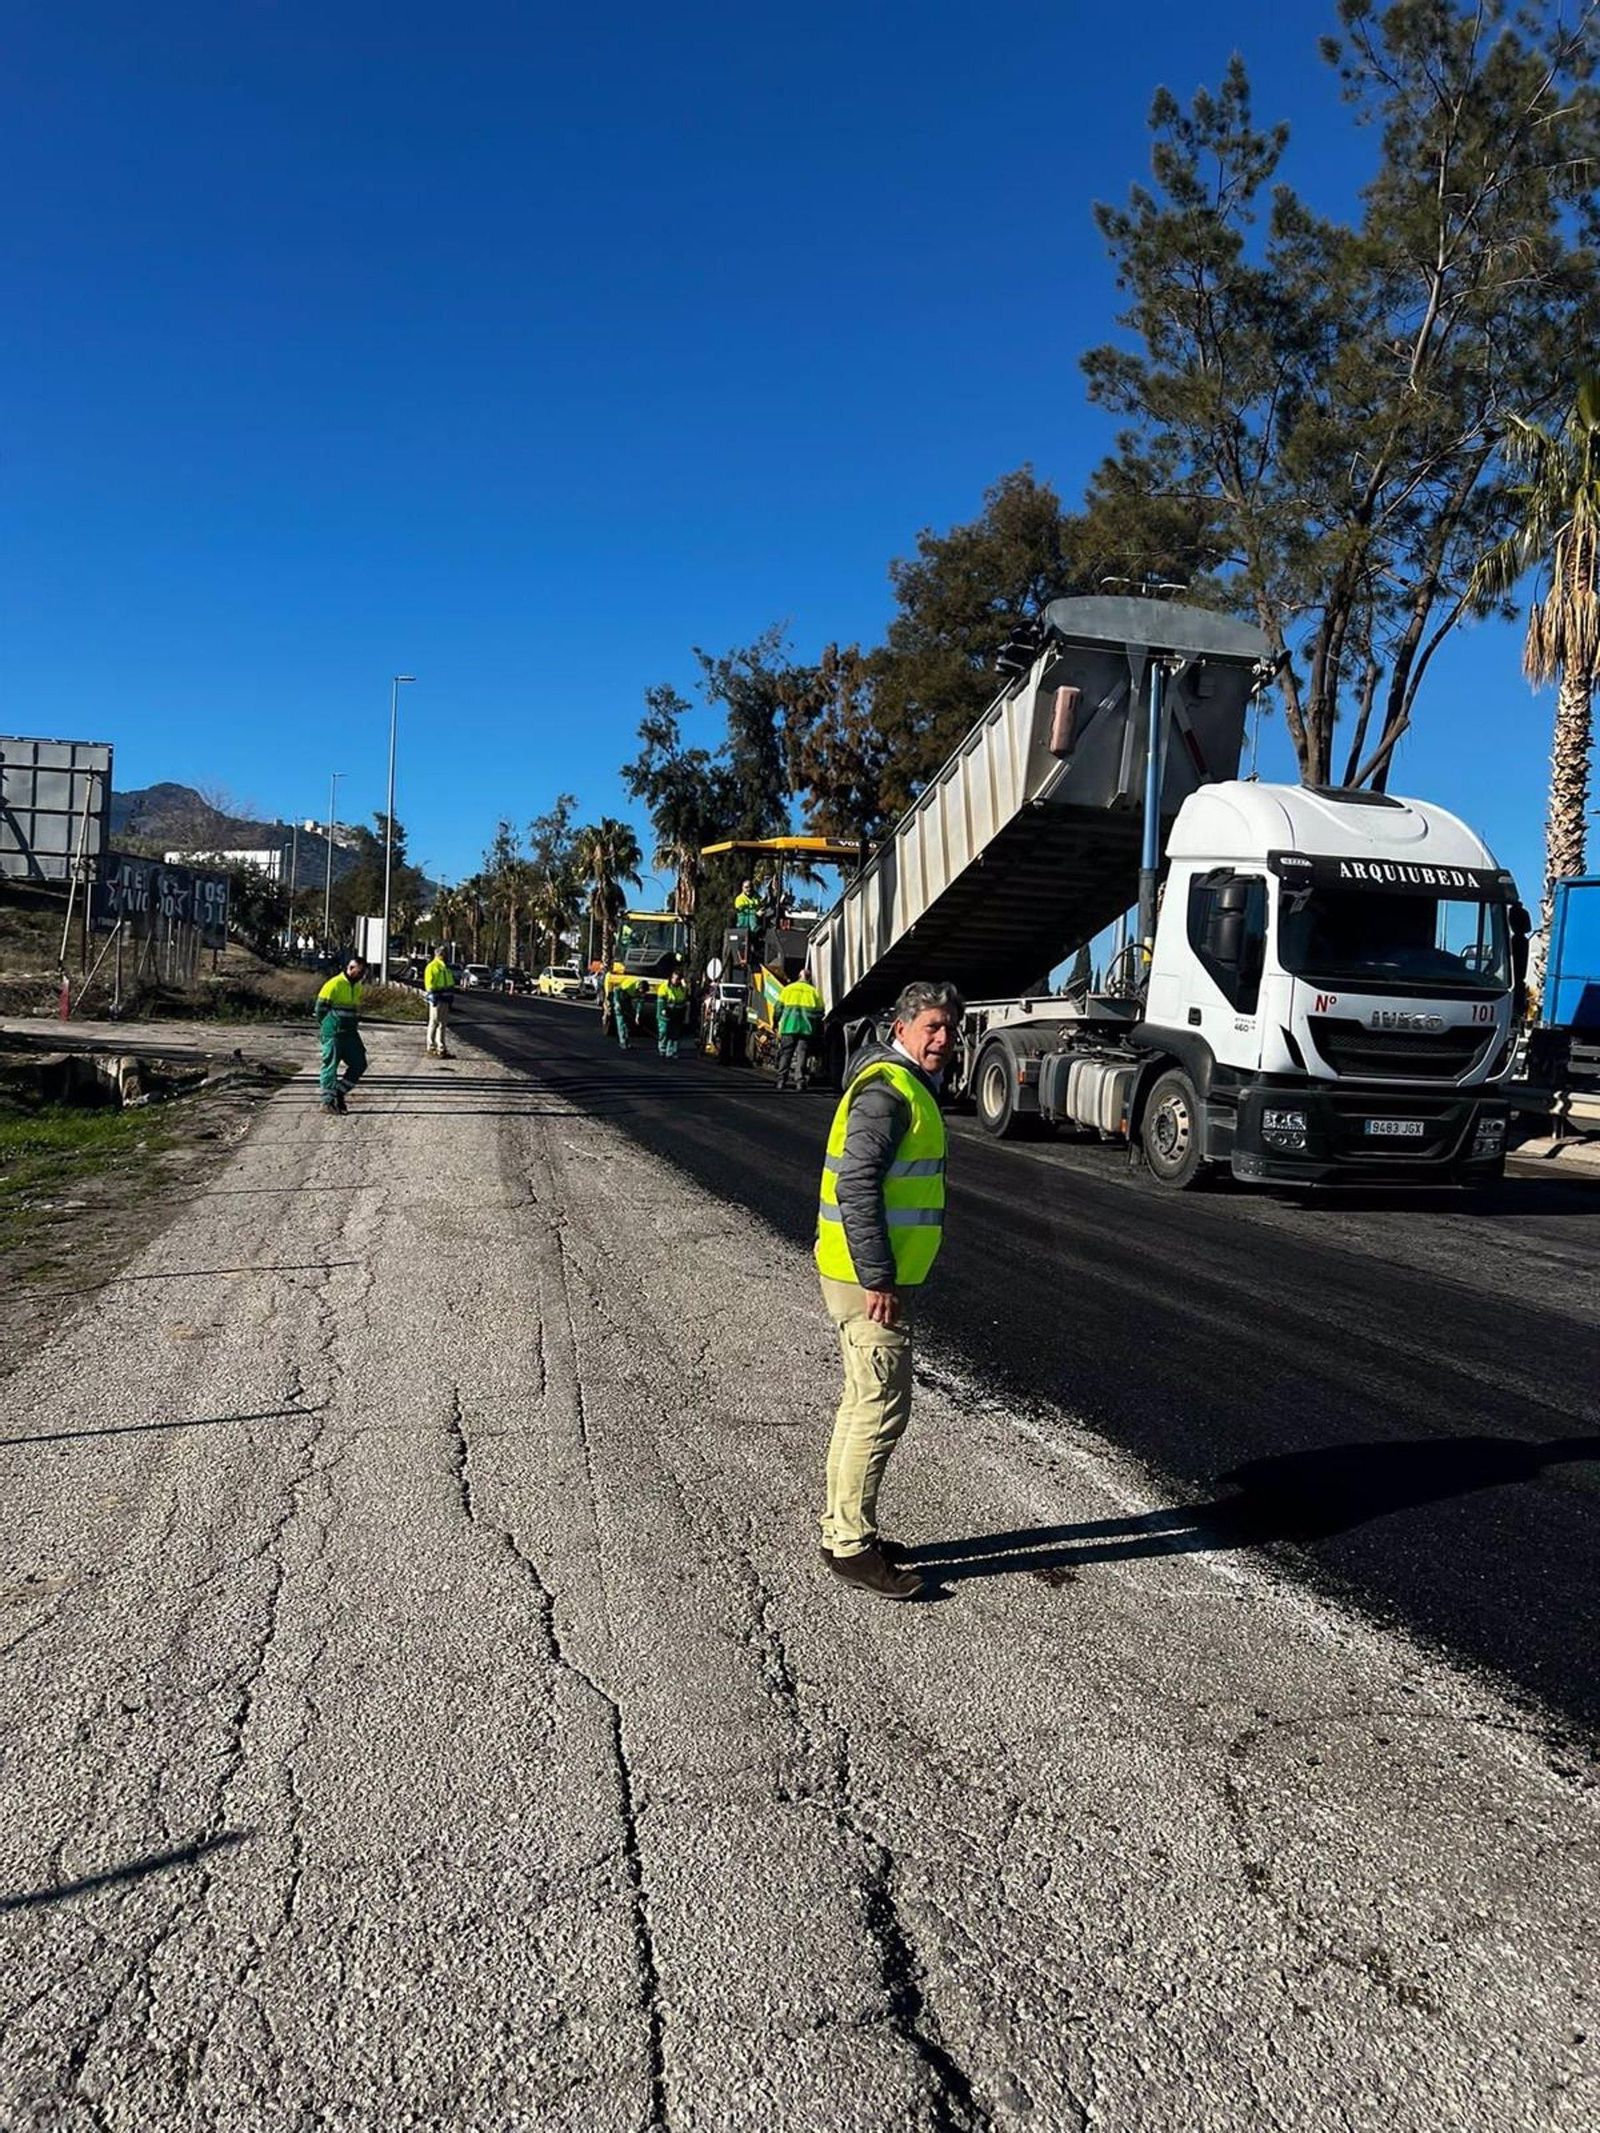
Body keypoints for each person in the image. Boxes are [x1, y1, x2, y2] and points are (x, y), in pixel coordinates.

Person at [815, 979, 963, 1599]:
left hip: (863, 1274)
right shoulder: (888, 1092)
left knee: (862, 1403)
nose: (943, 1038)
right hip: (867, 1280)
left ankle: (842, 1530)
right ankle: (852, 1546)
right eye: (931, 1026)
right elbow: (857, 1185)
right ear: (901, 1028)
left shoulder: (904, 1086)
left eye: (950, 1028)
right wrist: (879, 1274)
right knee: (880, 1410)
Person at [316, 956, 369, 1114]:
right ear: (350, 968)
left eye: (363, 973)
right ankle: (327, 1102)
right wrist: (329, 1025)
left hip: (350, 1032)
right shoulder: (333, 984)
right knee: (330, 1066)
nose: (361, 976)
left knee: (359, 1063)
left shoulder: (357, 986)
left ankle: (339, 1093)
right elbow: (320, 1010)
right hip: (333, 1032)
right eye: (359, 972)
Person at [774, 968, 824, 1091]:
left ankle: (781, 1080)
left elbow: (778, 1008)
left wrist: (775, 1022)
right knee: (802, 1055)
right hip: (806, 1029)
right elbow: (820, 1013)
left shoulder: (788, 989)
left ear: (798, 976)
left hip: (789, 1027)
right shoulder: (814, 992)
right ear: (809, 979)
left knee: (786, 1054)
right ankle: (800, 1082)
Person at [423, 948, 456, 1059]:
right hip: (437, 998)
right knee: (434, 1022)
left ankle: (441, 1048)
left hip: (445, 998)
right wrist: (439, 991)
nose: (445, 956)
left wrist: (449, 991)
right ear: (439, 955)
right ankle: (431, 1047)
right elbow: (429, 985)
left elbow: (451, 982)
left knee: (442, 1024)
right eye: (444, 954)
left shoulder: (445, 968)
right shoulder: (432, 967)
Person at [656, 965, 689, 1058]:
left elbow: (683, 1001)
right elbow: (661, 1000)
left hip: (676, 1014)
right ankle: (662, 1049)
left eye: (677, 979)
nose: (675, 980)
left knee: (674, 1034)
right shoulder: (664, 987)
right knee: (664, 1031)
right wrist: (663, 1009)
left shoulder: (682, 988)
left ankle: (670, 1051)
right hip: (665, 1014)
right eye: (674, 978)